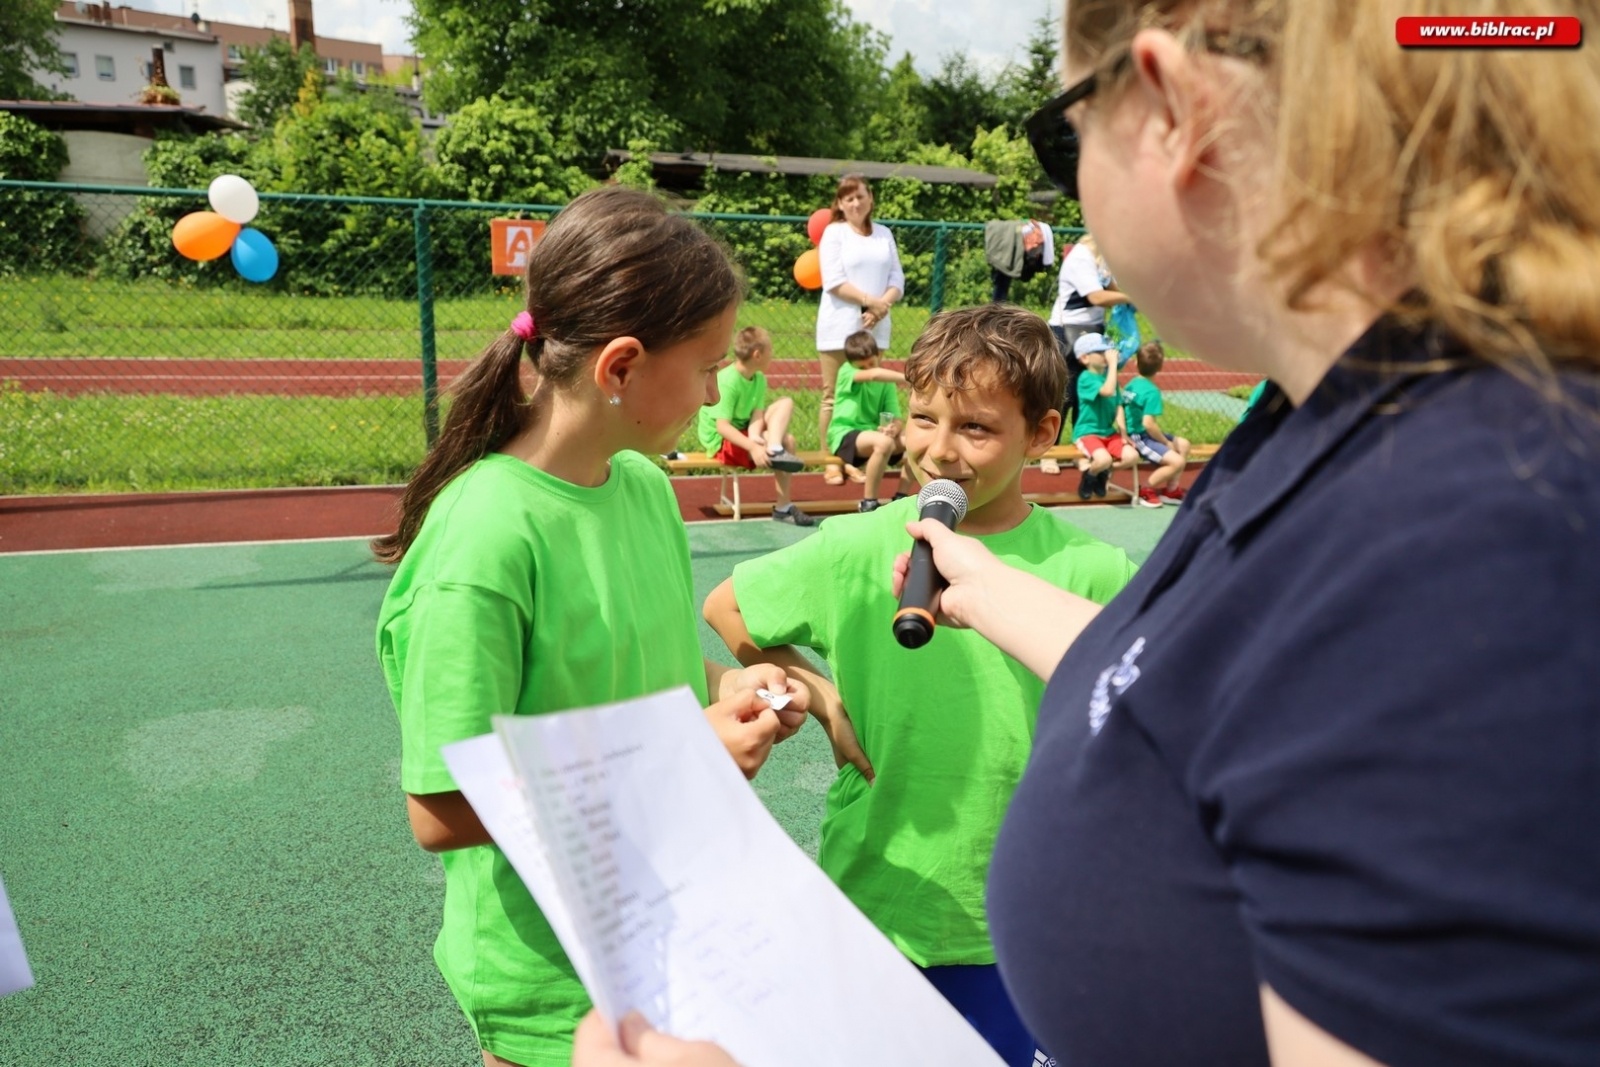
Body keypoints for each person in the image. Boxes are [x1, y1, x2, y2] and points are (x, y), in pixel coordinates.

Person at [577, 2, 1600, 1064]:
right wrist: (984, 585)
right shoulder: (1364, 426)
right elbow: (1206, 692)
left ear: (1168, 108)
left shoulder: (1474, 525)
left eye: (1061, 140)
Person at [372, 187, 809, 1067]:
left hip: (672, 924)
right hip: (556, 982)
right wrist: (684, 750)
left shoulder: (640, 483)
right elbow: (443, 806)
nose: (716, 390)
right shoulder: (483, 540)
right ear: (620, 368)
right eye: (706, 366)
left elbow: (642, 658)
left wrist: (725, 683)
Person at [703, 304, 1139, 1066]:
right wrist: (825, 699)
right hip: (876, 900)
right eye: (923, 418)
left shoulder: (1091, 569)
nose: (939, 450)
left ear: (1042, 433)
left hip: (1019, 917)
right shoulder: (856, 543)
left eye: (975, 427)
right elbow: (726, 607)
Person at [815, 174, 906, 486]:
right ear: (840, 204)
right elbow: (833, 280)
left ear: (871, 198)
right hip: (838, 326)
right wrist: (871, 302)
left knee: (872, 394)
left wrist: (882, 307)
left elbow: (897, 278)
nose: (855, 203)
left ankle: (861, 459)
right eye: (848, 198)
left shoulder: (884, 234)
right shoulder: (834, 232)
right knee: (832, 396)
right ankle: (831, 462)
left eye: (860, 196)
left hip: (876, 327)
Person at [697, 325, 816, 526]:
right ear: (757, 355)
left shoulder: (759, 378)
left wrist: (755, 436)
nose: (773, 354)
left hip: (743, 429)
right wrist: (753, 446)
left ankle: (776, 458)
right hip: (722, 441)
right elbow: (722, 427)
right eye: (770, 350)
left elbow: (757, 415)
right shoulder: (728, 381)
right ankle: (782, 499)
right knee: (787, 441)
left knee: (786, 412)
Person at [1046, 232, 1130, 433]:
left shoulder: (1102, 258)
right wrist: (1132, 297)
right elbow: (1096, 297)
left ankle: (1084, 441)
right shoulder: (1082, 256)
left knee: (1087, 397)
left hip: (1092, 331)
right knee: (1064, 395)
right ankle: (1051, 446)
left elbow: (1111, 290)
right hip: (1067, 333)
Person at [829, 329, 910, 512]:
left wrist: (893, 428)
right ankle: (869, 502)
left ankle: (901, 495)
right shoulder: (846, 371)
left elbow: (896, 417)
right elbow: (874, 375)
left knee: (914, 441)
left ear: (878, 356)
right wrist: (908, 378)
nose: (867, 369)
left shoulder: (887, 383)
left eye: (871, 364)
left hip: (874, 435)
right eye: (862, 367)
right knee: (883, 443)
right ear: (851, 365)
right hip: (845, 434)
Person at [1122, 340, 1190, 506]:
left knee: (1184, 444)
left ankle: (1171, 490)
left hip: (1142, 433)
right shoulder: (1152, 392)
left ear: (1136, 363)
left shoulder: (1131, 384)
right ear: (1160, 367)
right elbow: (1149, 424)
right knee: (1177, 461)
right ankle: (1145, 489)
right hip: (1139, 436)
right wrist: (1166, 442)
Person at [1069, 331, 1135, 499]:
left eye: (1106, 351)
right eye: (1100, 352)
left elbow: (1118, 405)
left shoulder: (1110, 378)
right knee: (1103, 459)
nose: (1106, 355)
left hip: (1108, 432)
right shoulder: (1086, 378)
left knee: (1132, 456)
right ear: (1085, 358)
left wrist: (1123, 433)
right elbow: (1107, 391)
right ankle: (1090, 476)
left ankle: (1103, 472)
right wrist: (1113, 366)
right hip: (1088, 432)